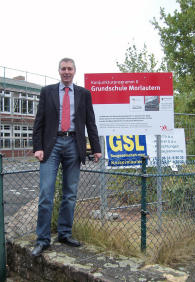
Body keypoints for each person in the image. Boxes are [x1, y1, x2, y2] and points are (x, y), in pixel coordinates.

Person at [31, 58, 102, 256]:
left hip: (74, 145)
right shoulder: (47, 92)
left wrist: (96, 148)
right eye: (63, 69)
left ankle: (64, 233)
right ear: (59, 71)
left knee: (70, 194)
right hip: (51, 146)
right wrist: (38, 147)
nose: (67, 72)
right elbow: (39, 121)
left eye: (70, 69)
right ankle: (42, 239)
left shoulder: (83, 94)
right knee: (46, 193)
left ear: (75, 71)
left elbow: (90, 121)